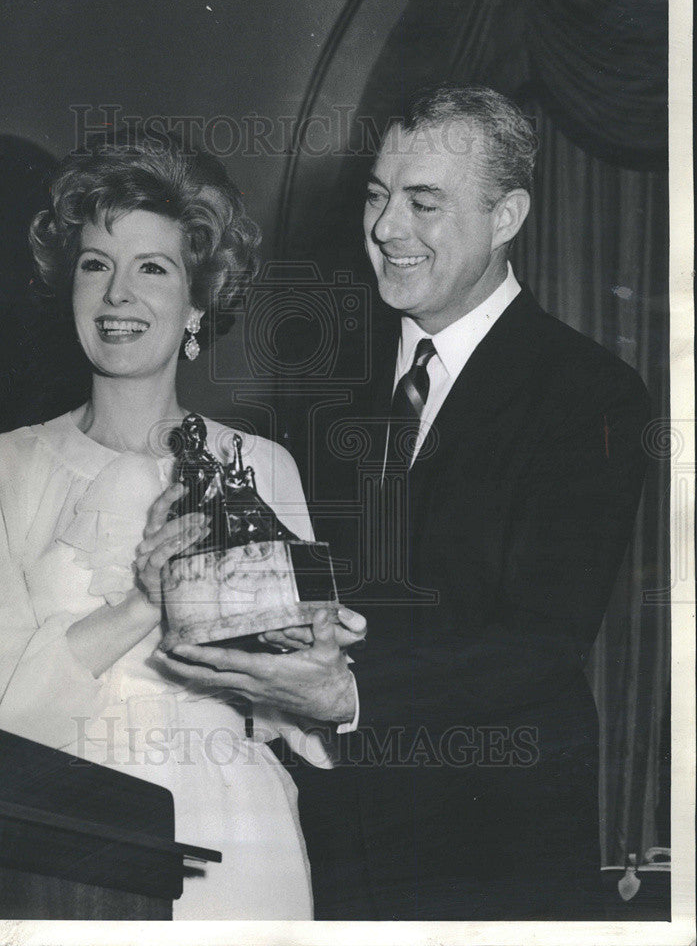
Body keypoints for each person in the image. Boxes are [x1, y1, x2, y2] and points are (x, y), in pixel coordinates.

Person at [162, 86, 652, 920]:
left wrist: (351, 695)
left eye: (423, 202)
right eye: (378, 195)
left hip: (497, 853)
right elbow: (314, 591)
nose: (387, 228)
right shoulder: (328, 388)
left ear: (506, 216)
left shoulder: (588, 395)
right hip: (332, 845)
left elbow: (542, 640)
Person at [0, 133, 362, 920]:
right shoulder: (4, 468)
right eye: (96, 264)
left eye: (152, 268)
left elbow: (293, 710)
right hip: (60, 829)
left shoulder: (263, 466)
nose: (117, 295)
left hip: (239, 836)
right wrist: (140, 602)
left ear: (198, 301)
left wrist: (323, 672)